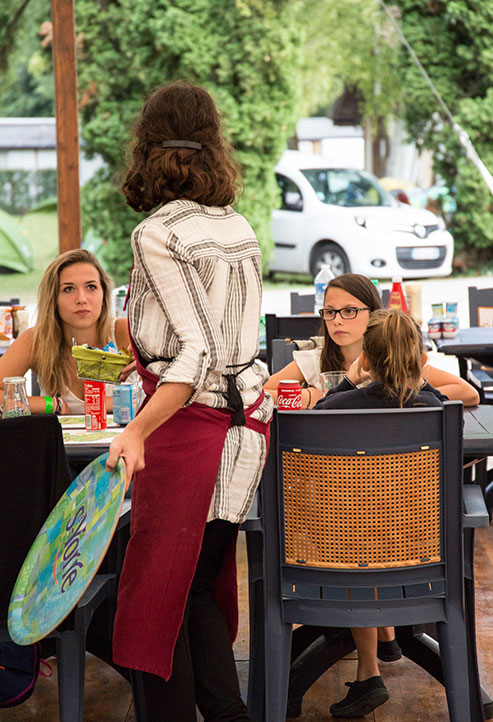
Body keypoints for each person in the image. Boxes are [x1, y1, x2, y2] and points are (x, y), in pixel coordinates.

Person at [105, 80, 273, 722]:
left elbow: (197, 352)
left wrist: (137, 430)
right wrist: (148, 350)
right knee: (198, 591)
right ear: (214, 146)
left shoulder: (157, 233)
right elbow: (229, 347)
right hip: (241, 435)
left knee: (157, 600)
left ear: (146, 146)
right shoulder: (240, 227)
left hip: (186, 433)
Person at [315, 309, 448, 717]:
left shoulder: (336, 409)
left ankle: (370, 668)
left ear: (366, 358)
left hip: (342, 558)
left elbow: (319, 410)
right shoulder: (435, 409)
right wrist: (418, 377)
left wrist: (352, 379)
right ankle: (387, 644)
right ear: (420, 359)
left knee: (357, 529)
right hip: (422, 553)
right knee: (374, 530)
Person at [264, 272, 480, 409]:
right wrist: (307, 397)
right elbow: (258, 395)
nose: (337, 320)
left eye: (349, 311)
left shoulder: (395, 361)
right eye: (330, 312)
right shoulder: (314, 360)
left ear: (374, 313)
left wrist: (401, 396)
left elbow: (469, 394)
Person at [0, 248, 132, 415]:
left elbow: (167, 390)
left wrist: (104, 404)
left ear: (104, 293)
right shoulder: (37, 340)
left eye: (91, 287)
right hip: (59, 441)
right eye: (68, 289)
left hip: (123, 440)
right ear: (53, 299)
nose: (81, 299)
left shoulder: (125, 332)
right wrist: (52, 404)